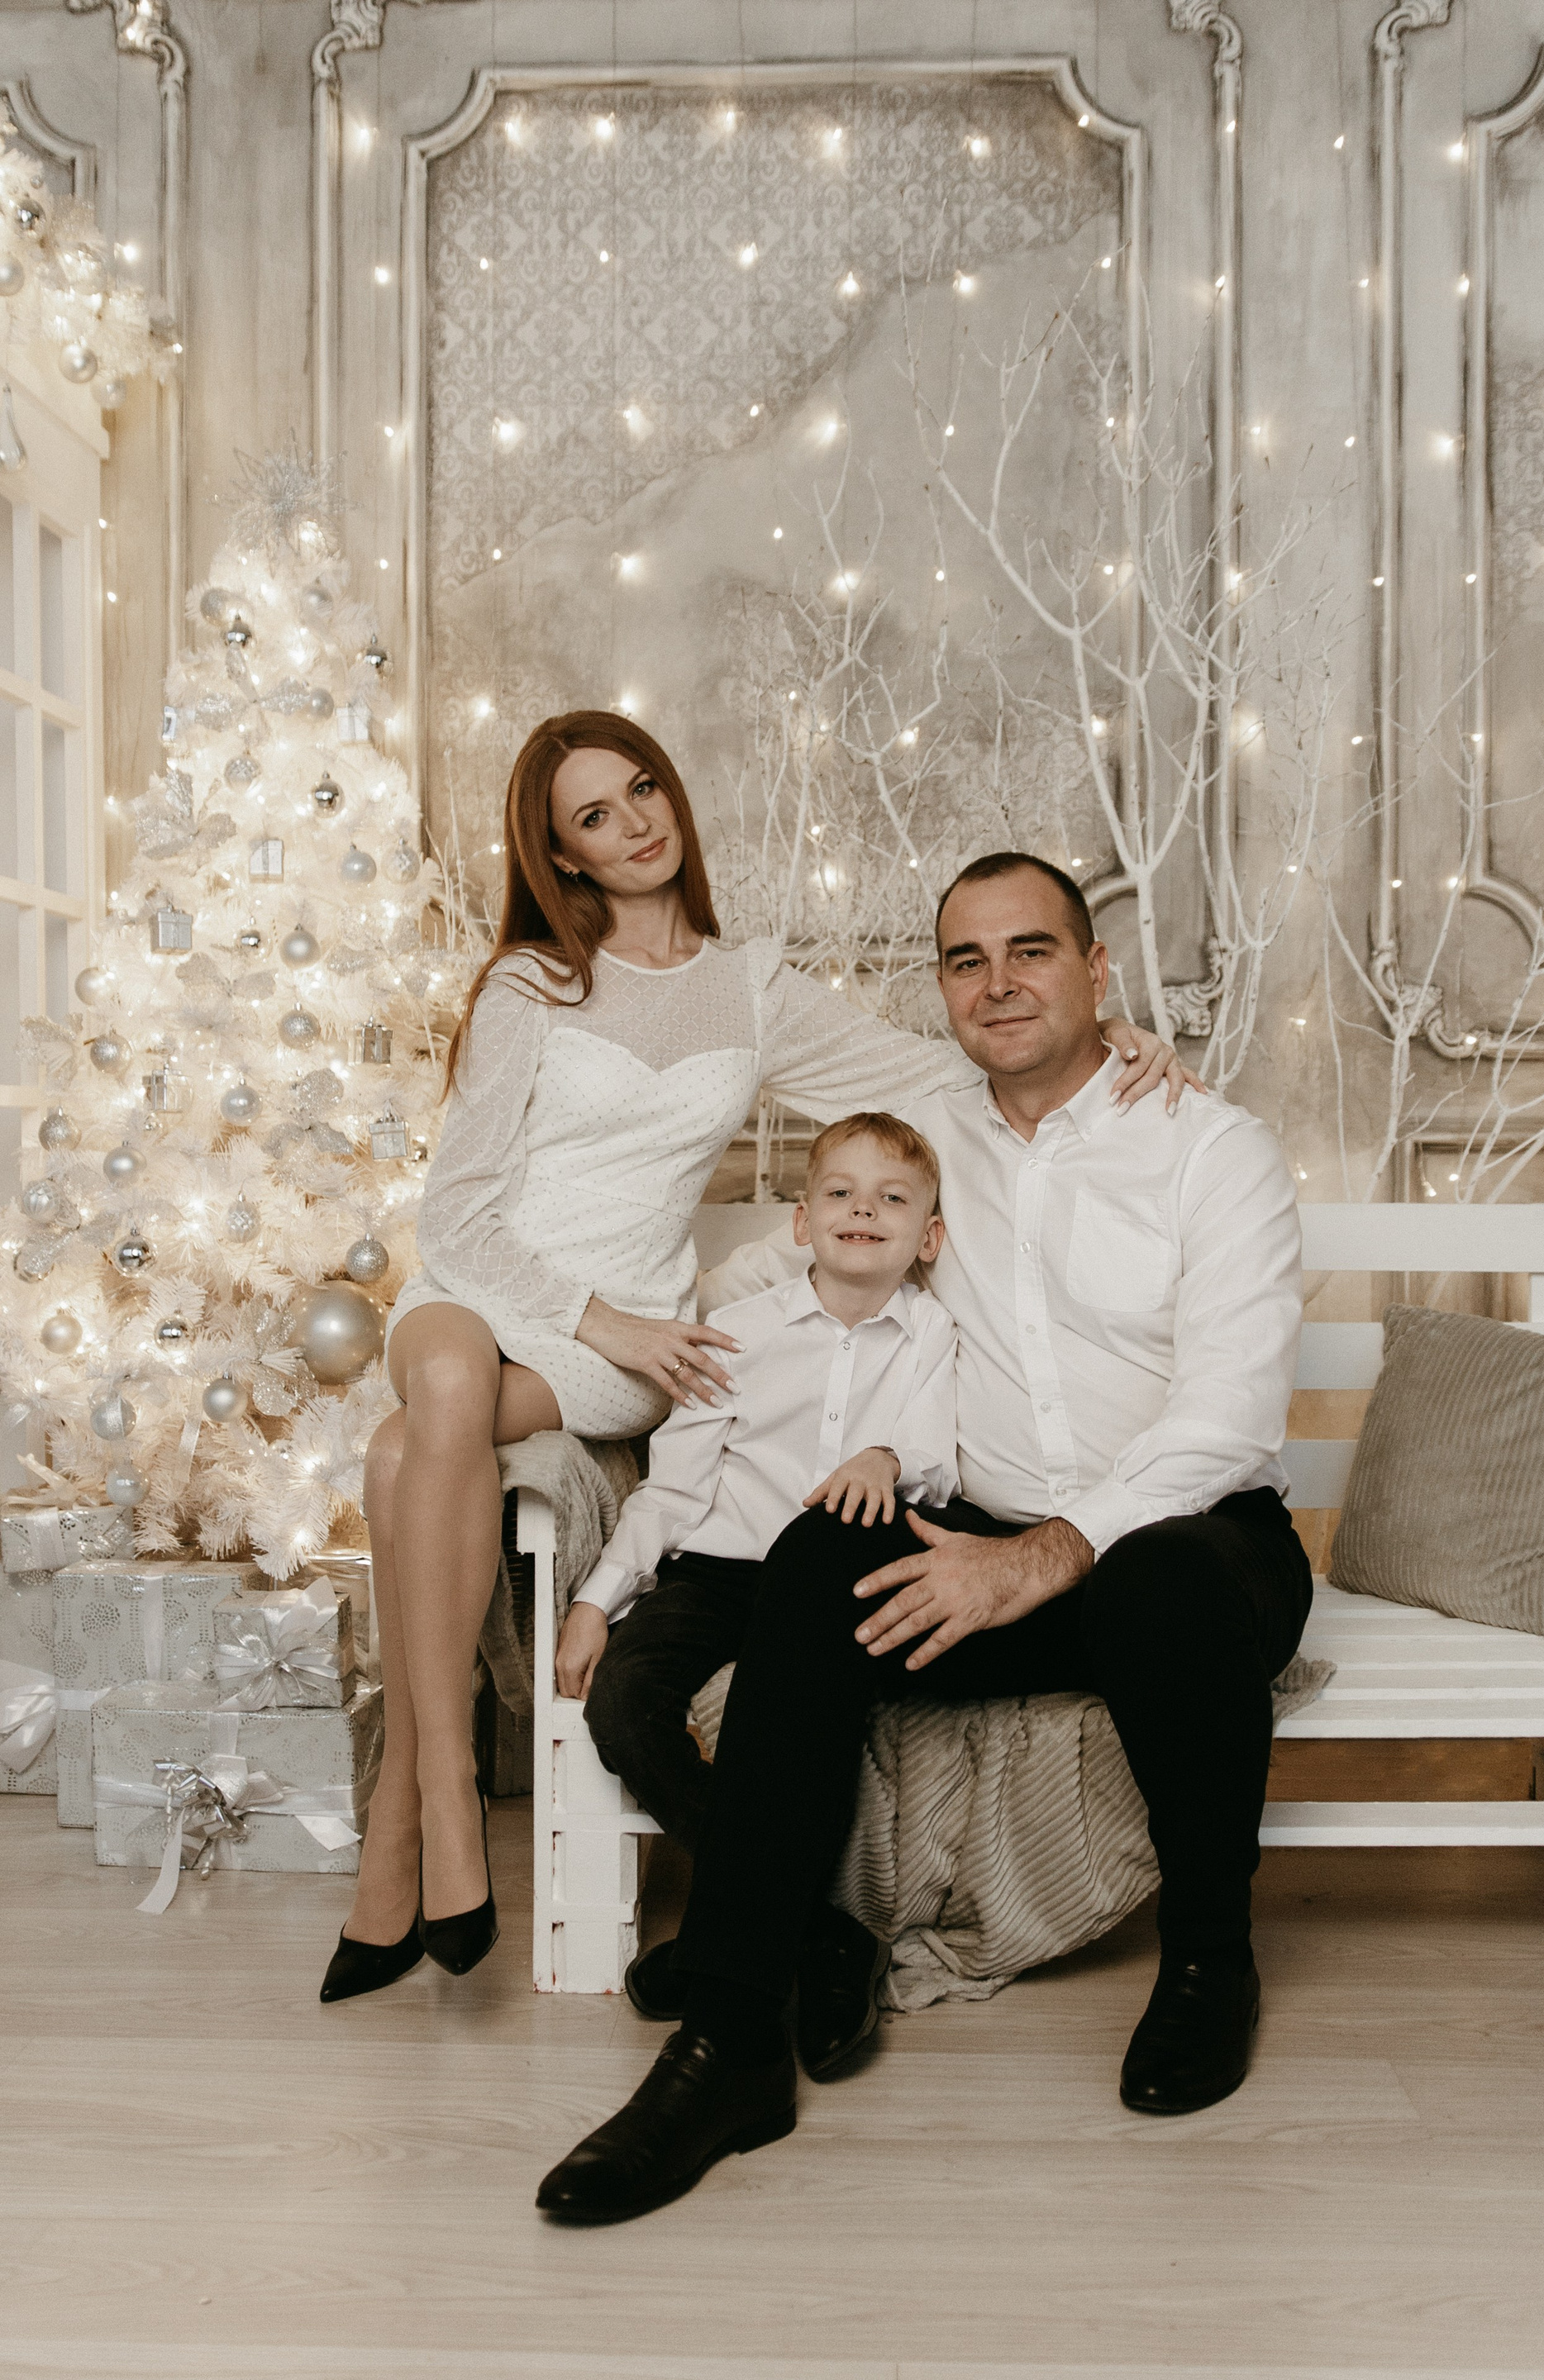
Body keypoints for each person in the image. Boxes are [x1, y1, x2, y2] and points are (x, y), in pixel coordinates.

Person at [319, 716, 1187, 2005]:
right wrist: (597, 1316)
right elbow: (457, 1215)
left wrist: (1106, 1042)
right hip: (493, 1291)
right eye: (595, 816)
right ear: (562, 856)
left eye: (642, 789)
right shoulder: (530, 985)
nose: (634, 824)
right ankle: (442, 1792)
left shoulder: (753, 988)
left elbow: (936, 1075)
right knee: (434, 1392)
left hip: (636, 1343)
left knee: (406, 1452)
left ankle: (404, 1820)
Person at [536, 850, 1309, 2226]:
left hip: (1192, 1544)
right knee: (817, 1555)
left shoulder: (1209, 1145)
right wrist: (621, 1334)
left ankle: (1209, 1960)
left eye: (1032, 951)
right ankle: (734, 2036)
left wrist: (1046, 1554)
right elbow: (791, 1237)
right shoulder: (925, 1134)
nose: (999, 983)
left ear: (1097, 972)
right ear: (944, 988)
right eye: (967, 959)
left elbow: (1230, 1416)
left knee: (1161, 1582)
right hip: (980, 1539)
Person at [560, 1110, 956, 2074]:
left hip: (835, 1585)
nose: (865, 1210)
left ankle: (731, 1940)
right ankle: (819, 1931)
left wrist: (886, 1455)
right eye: (841, 1193)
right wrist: (597, 1599)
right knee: (620, 1702)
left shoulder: (933, 1333)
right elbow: (673, 1490)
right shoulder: (736, 1335)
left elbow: (940, 1461)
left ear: (929, 1237)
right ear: (802, 1221)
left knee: (808, 1721)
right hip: (718, 1572)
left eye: (893, 1198)